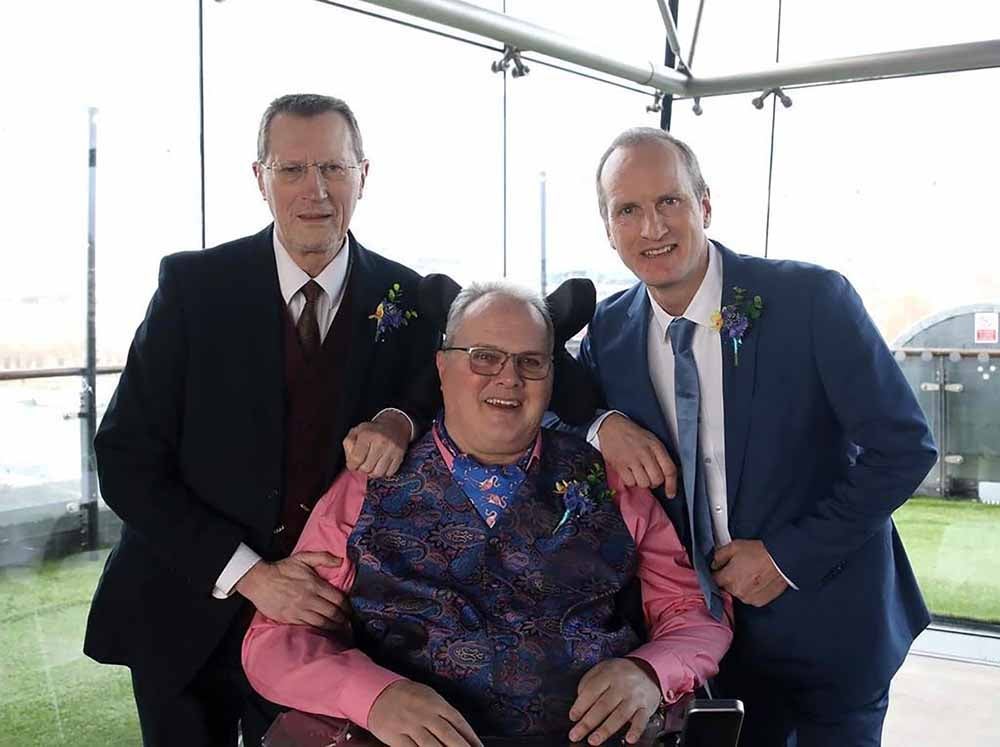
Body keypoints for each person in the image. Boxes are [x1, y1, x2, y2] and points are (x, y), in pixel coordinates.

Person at [83, 93, 440, 747]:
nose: (316, 191)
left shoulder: (411, 298)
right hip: (186, 606)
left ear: (365, 174)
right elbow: (125, 457)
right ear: (259, 178)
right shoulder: (193, 288)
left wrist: (398, 417)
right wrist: (250, 574)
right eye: (292, 169)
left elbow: (447, 393)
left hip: (335, 625)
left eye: (333, 168)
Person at [242, 283, 733, 747]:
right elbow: (276, 639)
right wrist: (373, 697)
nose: (508, 377)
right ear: (442, 368)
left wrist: (648, 672)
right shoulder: (367, 482)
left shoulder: (613, 480)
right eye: (484, 357)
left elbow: (695, 612)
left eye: (531, 362)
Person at [577, 127, 937, 746]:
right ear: (608, 228)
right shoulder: (609, 331)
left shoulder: (810, 299)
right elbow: (554, 391)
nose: (651, 228)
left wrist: (785, 558)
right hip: (707, 646)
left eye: (669, 202)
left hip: (832, 629)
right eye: (627, 210)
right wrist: (604, 425)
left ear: (705, 205)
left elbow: (903, 449)